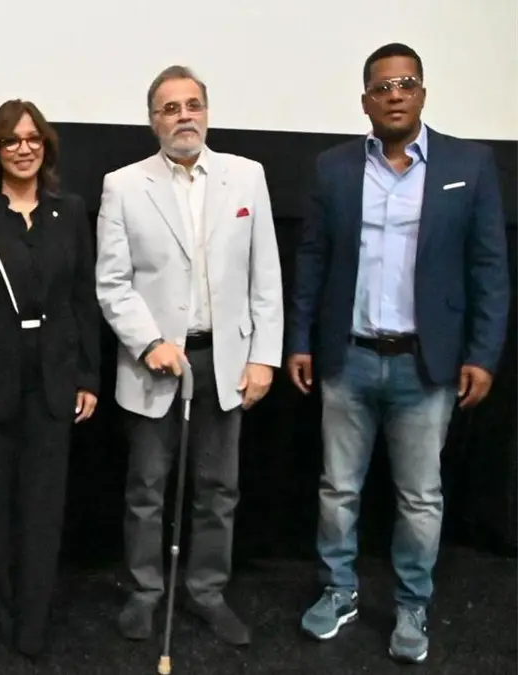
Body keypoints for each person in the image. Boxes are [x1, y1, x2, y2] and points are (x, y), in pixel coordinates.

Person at [288, 43, 508, 664]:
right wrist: (300, 340)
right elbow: (313, 261)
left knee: (419, 498)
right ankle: (339, 590)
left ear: (422, 93)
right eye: (382, 86)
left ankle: (413, 602)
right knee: (338, 489)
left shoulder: (471, 164)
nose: (394, 94)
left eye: (405, 83)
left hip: (426, 364)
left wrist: (485, 355)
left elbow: (489, 267)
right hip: (348, 357)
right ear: (365, 100)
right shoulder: (333, 168)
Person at [95, 65, 283, 647]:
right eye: (170, 108)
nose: (184, 116)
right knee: (147, 488)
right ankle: (146, 593)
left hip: (224, 361)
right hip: (156, 362)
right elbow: (113, 283)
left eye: (193, 105)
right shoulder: (123, 185)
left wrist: (264, 358)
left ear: (207, 111)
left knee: (218, 489)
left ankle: (206, 592)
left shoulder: (246, 178)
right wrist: (149, 343)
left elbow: (265, 277)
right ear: (153, 120)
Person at [0, 99, 99, 659]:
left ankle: (34, 620)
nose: (24, 148)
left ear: (47, 146)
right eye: (12, 140)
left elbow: (84, 299)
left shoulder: (70, 210)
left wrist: (88, 375)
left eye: (33, 138)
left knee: (44, 507)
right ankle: (5, 610)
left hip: (55, 382)